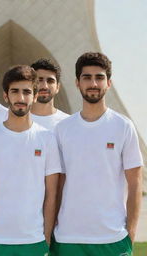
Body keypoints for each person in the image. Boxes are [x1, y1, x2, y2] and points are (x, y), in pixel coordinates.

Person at [51, 52, 143, 256]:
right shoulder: (63, 129)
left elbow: (136, 183)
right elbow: (58, 182)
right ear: (77, 83)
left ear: (108, 83)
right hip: (68, 237)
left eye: (99, 77)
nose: (93, 83)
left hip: (112, 238)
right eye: (87, 77)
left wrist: (131, 232)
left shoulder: (123, 126)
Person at [0, 65, 61, 256]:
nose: (21, 98)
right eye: (15, 91)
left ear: (35, 96)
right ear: (5, 96)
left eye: (27, 92)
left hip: (34, 241)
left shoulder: (47, 139)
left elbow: (51, 195)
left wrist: (46, 237)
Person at [30, 58, 69, 131]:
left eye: (50, 81)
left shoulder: (68, 123)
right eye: (39, 80)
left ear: (57, 87)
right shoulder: (18, 121)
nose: (45, 86)